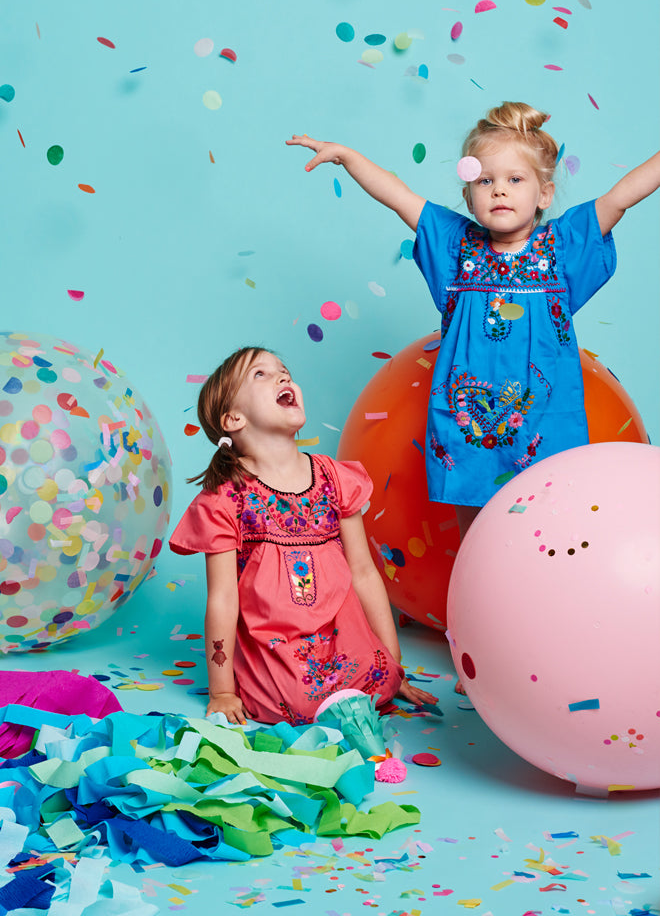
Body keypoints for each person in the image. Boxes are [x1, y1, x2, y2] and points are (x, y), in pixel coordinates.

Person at [287, 105, 660, 543]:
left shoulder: (563, 248)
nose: (499, 190)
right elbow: (397, 194)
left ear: (544, 194)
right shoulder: (454, 246)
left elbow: (621, 197)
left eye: (514, 179)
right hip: (469, 434)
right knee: (479, 543)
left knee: (548, 540)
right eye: (485, 180)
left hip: (545, 430)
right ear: (468, 197)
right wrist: (348, 157)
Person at [169, 347, 439, 726]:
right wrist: (222, 691)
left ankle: (368, 682)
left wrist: (395, 668)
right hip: (276, 643)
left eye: (284, 370)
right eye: (261, 374)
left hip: (339, 634)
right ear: (233, 418)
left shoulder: (334, 477)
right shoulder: (226, 495)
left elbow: (363, 573)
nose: (283, 377)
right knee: (291, 702)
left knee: (379, 682)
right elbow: (223, 599)